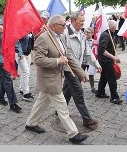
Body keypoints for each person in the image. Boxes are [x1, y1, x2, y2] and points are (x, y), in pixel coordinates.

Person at [24, 15, 89, 144]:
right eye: (63, 25)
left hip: (54, 78)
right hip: (49, 80)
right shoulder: (43, 38)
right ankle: (73, 134)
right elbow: (38, 60)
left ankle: (31, 123)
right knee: (62, 107)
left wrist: (81, 73)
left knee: (41, 102)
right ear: (54, 25)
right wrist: (58, 61)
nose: (65, 27)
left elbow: (68, 56)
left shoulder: (59, 37)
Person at [63, 12, 100, 129]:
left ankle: (59, 110)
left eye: (84, 21)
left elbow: (87, 53)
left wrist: (96, 64)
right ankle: (87, 119)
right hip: (69, 69)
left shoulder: (82, 34)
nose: (83, 23)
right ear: (73, 21)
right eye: (81, 21)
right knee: (78, 92)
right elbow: (66, 54)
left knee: (67, 92)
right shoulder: (65, 34)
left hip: (78, 68)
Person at [0, 19, 23, 113]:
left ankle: (0, 97)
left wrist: (19, 51)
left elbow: (16, 40)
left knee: (3, 77)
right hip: (0, 57)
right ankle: (13, 103)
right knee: (7, 78)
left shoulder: (12, 23)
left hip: (9, 56)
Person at [95, 19, 123, 104]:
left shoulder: (109, 34)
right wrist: (113, 57)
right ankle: (114, 97)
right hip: (105, 61)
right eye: (115, 27)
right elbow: (102, 50)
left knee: (104, 77)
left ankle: (100, 92)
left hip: (105, 60)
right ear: (111, 27)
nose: (116, 28)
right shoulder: (106, 35)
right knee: (112, 78)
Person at [83, 27, 98, 92]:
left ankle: (92, 87)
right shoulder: (83, 41)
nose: (86, 34)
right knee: (80, 74)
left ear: (92, 33)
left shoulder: (94, 42)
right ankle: (77, 87)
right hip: (83, 61)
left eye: (88, 32)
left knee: (91, 74)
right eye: (85, 32)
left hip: (90, 62)